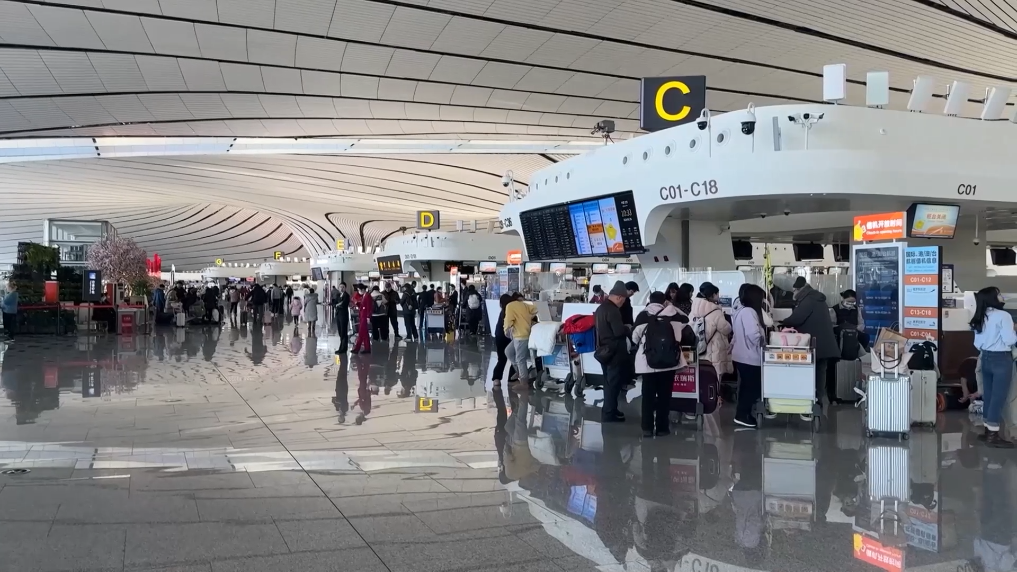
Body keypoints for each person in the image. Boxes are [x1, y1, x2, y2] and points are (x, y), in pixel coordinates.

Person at [631, 291, 688, 437]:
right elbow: (684, 325)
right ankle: (662, 428)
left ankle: (647, 428)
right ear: (664, 301)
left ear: (650, 301)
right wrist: (672, 306)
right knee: (665, 396)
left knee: (648, 396)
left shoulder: (643, 316)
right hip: (669, 362)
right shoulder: (674, 315)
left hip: (648, 363)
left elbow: (634, 338)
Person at [781, 276, 840, 412]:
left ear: (799, 289)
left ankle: (812, 400)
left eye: (794, 290)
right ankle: (817, 400)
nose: (793, 293)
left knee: (814, 371)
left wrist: (782, 322)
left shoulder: (808, 300)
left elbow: (797, 318)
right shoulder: (815, 298)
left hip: (815, 344)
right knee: (820, 371)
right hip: (823, 343)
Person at [970, 286, 1016, 448]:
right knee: (999, 397)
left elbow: (977, 343)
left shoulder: (980, 316)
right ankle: (993, 434)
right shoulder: (1003, 315)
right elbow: (1010, 340)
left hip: (985, 358)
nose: (1002, 296)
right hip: (1001, 359)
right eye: (999, 294)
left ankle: (987, 431)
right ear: (992, 298)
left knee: (989, 395)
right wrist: (1014, 330)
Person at [731, 284, 767, 428]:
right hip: (750, 357)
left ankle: (743, 414)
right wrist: (762, 343)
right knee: (752, 387)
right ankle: (742, 415)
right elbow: (753, 335)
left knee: (746, 387)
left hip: (742, 355)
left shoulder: (741, 310)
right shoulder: (749, 312)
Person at [595, 281, 631, 422]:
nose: (623, 303)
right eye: (623, 300)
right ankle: (609, 414)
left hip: (604, 351)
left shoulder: (601, 308)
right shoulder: (613, 310)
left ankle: (611, 409)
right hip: (614, 351)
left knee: (608, 383)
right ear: (619, 297)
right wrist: (627, 327)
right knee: (613, 384)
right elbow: (618, 332)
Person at [690, 282, 733, 376]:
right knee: (714, 377)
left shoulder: (693, 311)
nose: (718, 296)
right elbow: (726, 329)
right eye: (717, 294)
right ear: (713, 294)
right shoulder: (716, 312)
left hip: (699, 349)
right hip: (714, 351)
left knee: (701, 378)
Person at [504, 292, 539, 387]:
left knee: (520, 359)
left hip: (520, 335)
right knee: (508, 351)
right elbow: (535, 309)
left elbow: (508, 320)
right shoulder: (525, 305)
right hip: (523, 334)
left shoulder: (510, 306)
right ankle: (519, 371)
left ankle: (524, 382)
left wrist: (506, 330)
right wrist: (528, 318)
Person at [492, 294, 517, 384]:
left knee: (502, 359)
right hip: (510, 337)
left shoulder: (503, 311)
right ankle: (512, 377)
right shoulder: (512, 311)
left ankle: (496, 378)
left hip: (499, 336)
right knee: (514, 357)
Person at [351, 284, 373, 354]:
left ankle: (357, 349)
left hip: (364, 317)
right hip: (362, 316)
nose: (358, 292)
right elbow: (362, 306)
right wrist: (357, 303)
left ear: (363, 289)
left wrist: (368, 317)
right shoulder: (364, 296)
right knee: (365, 334)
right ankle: (367, 348)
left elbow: (369, 307)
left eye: (359, 290)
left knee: (361, 333)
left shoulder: (367, 296)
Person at [335, 282, 351, 352]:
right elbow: (334, 303)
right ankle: (343, 347)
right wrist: (338, 304)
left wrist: (338, 305)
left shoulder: (346, 295)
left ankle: (342, 348)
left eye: (343, 287)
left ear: (345, 288)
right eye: (340, 287)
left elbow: (344, 304)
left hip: (343, 315)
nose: (341, 288)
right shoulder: (338, 295)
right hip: (338, 315)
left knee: (343, 331)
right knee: (340, 331)